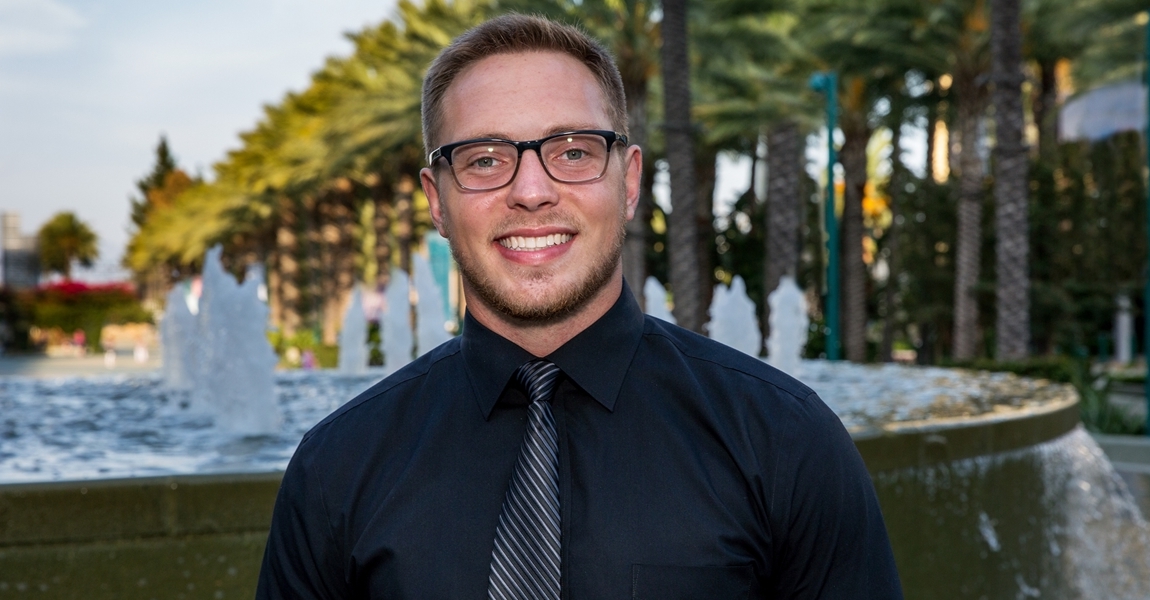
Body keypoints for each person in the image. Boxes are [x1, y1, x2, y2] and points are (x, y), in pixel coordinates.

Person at [257, 14, 902, 599]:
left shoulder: (786, 442)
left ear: (627, 181)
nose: (531, 191)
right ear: (436, 199)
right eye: (484, 159)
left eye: (572, 152)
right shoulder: (337, 467)